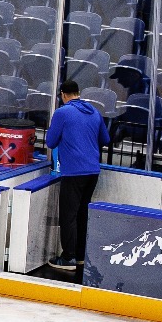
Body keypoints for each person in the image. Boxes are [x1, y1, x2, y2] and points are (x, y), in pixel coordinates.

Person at [45, 79, 107, 280]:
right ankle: (80, 255)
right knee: (82, 213)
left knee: (68, 215)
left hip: (74, 171)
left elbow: (51, 141)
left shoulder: (63, 112)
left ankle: (69, 257)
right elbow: (105, 139)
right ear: (78, 92)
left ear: (63, 95)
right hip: (93, 171)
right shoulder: (95, 112)